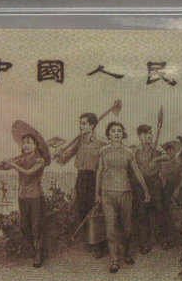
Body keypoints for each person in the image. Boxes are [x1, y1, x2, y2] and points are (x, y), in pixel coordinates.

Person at [0, 121, 51, 268]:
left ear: (36, 145)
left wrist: (13, 164)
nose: (25, 145)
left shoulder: (39, 160)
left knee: (36, 227)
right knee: (25, 227)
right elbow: (5, 167)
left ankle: (38, 255)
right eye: (24, 143)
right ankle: (32, 250)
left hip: (36, 197)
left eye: (29, 142)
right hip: (22, 197)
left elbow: (28, 172)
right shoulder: (21, 158)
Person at [95, 122, 151, 272]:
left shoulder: (128, 152)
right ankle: (114, 260)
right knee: (111, 226)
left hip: (125, 192)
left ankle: (126, 253)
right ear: (109, 134)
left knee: (126, 227)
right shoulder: (103, 151)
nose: (117, 133)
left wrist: (146, 190)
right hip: (107, 193)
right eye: (113, 131)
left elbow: (137, 171)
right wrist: (97, 193)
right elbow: (100, 172)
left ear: (123, 134)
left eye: (119, 131)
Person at [55, 111, 104, 253]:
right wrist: (58, 153)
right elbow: (63, 160)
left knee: (95, 211)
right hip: (81, 178)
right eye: (80, 123)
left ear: (92, 125)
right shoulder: (79, 142)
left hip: (95, 178)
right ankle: (88, 241)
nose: (81, 126)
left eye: (84, 124)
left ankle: (99, 245)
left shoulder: (102, 143)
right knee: (82, 209)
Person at [132, 124, 171, 251]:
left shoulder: (156, 147)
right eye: (146, 134)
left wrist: (156, 159)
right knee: (142, 212)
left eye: (150, 133)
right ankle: (144, 243)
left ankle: (163, 239)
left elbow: (167, 156)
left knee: (159, 210)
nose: (149, 136)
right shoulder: (136, 150)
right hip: (141, 183)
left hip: (155, 182)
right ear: (140, 136)